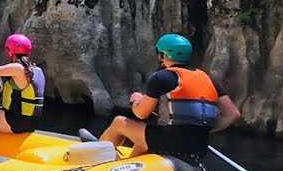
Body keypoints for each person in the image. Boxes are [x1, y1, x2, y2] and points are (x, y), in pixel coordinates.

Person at [99, 33, 240, 156]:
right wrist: (203, 130)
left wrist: (135, 101)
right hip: (199, 145)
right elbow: (232, 114)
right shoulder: (208, 79)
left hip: (170, 143)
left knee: (119, 122)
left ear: (163, 55)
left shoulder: (161, 77)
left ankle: (96, 159)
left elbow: (141, 114)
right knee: (146, 137)